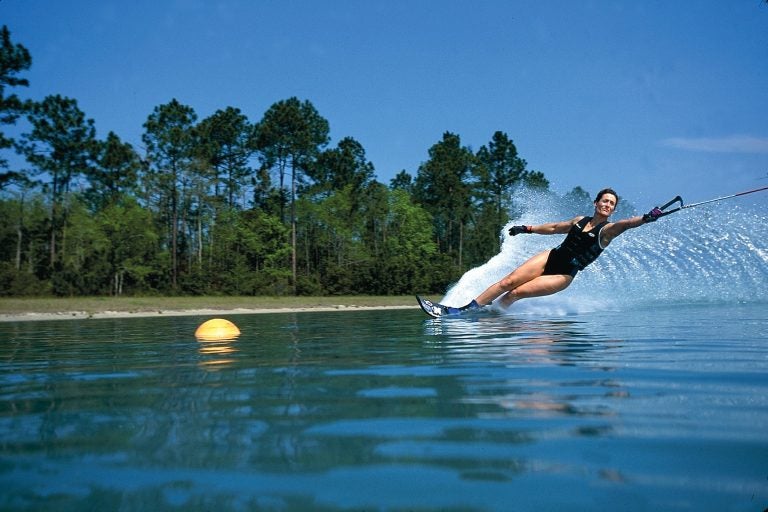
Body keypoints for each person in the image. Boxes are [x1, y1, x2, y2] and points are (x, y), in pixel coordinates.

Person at [418, 188, 664, 317]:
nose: (607, 205)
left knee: (516, 292)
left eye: (612, 204)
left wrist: (646, 218)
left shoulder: (608, 230)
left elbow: (628, 223)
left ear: (612, 210)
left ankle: (493, 316)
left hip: (564, 274)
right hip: (551, 256)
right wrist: (527, 228)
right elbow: (556, 227)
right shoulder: (579, 220)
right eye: (604, 200)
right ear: (596, 203)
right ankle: (461, 311)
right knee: (508, 281)